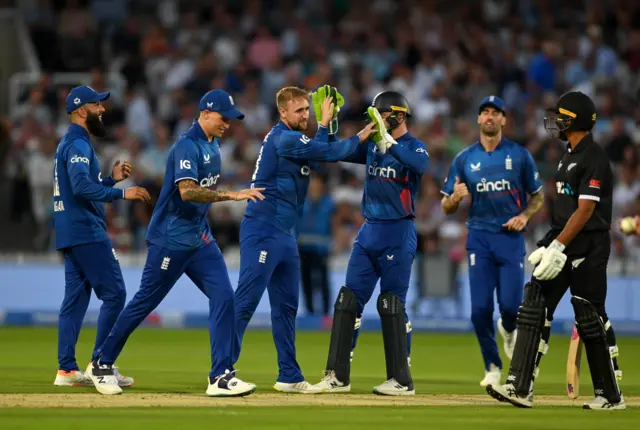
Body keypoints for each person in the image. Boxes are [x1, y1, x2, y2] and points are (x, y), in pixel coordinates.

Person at [86, 89, 264, 397]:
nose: (227, 125)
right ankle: (101, 363)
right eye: (223, 118)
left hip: (199, 238)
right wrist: (232, 195)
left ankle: (220, 376)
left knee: (224, 297)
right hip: (171, 239)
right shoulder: (187, 146)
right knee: (145, 303)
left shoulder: (214, 144)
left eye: (230, 120)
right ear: (205, 113)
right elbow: (187, 192)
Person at [232, 86, 377, 394]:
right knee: (246, 301)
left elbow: (320, 152)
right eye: (298, 111)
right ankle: (221, 370)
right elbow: (330, 152)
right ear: (282, 113)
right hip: (263, 228)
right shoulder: (283, 139)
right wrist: (359, 133)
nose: (304, 115)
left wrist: (326, 126)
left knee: (286, 307)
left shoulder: (299, 142)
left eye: (307, 110)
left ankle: (289, 375)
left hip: (285, 234)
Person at [486, 91, 625, 410]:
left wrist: (559, 245)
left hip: (589, 245)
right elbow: (565, 211)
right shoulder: (567, 155)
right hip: (563, 240)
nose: (556, 122)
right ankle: (519, 387)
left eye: (562, 116)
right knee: (534, 301)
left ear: (575, 120)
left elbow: (586, 211)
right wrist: (550, 244)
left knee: (589, 316)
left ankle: (610, 396)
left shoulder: (594, 158)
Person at [313, 91, 429, 396]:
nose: (375, 121)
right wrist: (328, 123)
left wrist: (387, 143)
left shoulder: (414, 146)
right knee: (347, 301)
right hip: (368, 232)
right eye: (373, 116)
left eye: (382, 115)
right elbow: (331, 151)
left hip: (398, 232)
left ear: (399, 115)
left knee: (392, 305)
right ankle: (337, 376)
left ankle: (401, 380)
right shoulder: (371, 150)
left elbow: (419, 167)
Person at [440, 96, 544, 387]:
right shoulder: (464, 158)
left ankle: (509, 329)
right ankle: (492, 366)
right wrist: (454, 199)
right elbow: (445, 206)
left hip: (510, 239)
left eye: (494, 113)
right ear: (478, 119)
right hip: (480, 238)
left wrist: (525, 215)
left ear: (503, 120)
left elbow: (538, 196)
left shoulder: (520, 156)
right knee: (479, 310)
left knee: (511, 307)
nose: (489, 117)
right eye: (484, 112)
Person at [53, 86, 150, 388]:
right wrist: (123, 192)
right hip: (86, 230)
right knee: (115, 293)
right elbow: (82, 189)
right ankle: (99, 363)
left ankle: (66, 370)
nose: (103, 110)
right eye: (97, 105)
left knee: (76, 300)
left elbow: (80, 186)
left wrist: (109, 180)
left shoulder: (70, 143)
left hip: (70, 229)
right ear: (82, 110)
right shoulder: (79, 145)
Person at [298, 174, 334, 316]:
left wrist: (333, 241)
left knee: (323, 280)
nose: (313, 186)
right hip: (304, 247)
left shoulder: (328, 203)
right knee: (306, 280)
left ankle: (325, 312)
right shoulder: (303, 202)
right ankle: (309, 311)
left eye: (316, 183)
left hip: (321, 248)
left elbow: (333, 223)